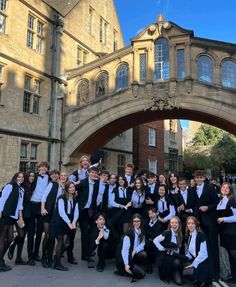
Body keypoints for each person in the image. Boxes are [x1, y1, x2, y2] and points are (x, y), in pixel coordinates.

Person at [191, 170, 220, 281]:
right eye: (196, 178)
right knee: (201, 247)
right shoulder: (193, 189)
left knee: (212, 247)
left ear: (204, 178)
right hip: (198, 222)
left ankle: (216, 273)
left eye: (200, 177)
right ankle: (203, 271)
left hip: (210, 222)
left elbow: (217, 202)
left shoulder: (210, 188)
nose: (198, 179)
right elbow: (193, 204)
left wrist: (208, 207)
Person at [7, 171, 35, 265]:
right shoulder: (21, 187)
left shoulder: (34, 186)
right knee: (21, 235)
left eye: (33, 176)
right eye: (30, 176)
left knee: (31, 236)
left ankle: (30, 258)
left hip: (31, 215)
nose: (31, 177)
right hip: (21, 215)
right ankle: (15, 251)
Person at [40, 170, 67, 268]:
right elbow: (44, 196)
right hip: (48, 212)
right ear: (59, 177)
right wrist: (42, 208)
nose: (63, 177)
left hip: (58, 215)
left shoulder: (67, 188)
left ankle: (50, 257)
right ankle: (44, 258)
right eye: (62, 175)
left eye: (65, 176)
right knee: (48, 236)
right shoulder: (53, 184)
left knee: (54, 237)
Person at [0, 172, 25, 272]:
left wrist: (20, 217)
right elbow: (2, 199)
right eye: (19, 177)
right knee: (2, 239)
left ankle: (0, 259)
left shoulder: (21, 189)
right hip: (5, 215)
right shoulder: (10, 186)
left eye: (22, 177)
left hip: (12, 217)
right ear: (15, 177)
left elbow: (20, 205)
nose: (21, 178)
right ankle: (0, 263)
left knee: (10, 239)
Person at [27, 161, 50, 265]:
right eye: (42, 167)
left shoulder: (49, 178)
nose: (43, 169)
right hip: (32, 205)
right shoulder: (34, 176)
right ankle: (30, 257)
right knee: (31, 233)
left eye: (45, 167)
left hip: (42, 206)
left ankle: (36, 253)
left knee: (40, 232)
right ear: (39, 168)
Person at [54, 181, 79, 271]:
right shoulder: (61, 198)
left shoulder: (75, 198)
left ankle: (57, 256)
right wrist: (69, 222)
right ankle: (57, 263)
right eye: (70, 187)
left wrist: (74, 222)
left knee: (68, 243)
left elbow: (76, 212)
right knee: (60, 242)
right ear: (66, 189)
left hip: (70, 220)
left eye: (73, 187)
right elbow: (61, 212)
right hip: (60, 221)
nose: (72, 188)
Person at [115, 213, 147, 281]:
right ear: (132, 222)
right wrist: (126, 264)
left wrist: (135, 251)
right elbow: (124, 251)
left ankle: (133, 266)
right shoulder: (128, 234)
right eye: (134, 221)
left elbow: (142, 244)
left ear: (141, 222)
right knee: (142, 274)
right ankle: (121, 270)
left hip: (132, 253)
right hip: (124, 258)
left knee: (144, 254)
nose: (136, 223)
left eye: (138, 221)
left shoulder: (141, 231)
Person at [183, 216, 213, 287]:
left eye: (193, 223)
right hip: (198, 260)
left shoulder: (201, 236)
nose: (190, 225)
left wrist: (193, 264)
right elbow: (191, 252)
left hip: (204, 263)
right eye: (189, 223)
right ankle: (198, 280)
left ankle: (205, 281)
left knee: (185, 272)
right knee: (182, 267)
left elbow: (203, 255)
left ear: (196, 225)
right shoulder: (190, 235)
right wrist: (184, 259)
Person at [77, 166, 99, 260]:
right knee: (85, 233)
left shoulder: (96, 184)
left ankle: (88, 252)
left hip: (91, 211)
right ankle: (84, 255)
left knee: (91, 233)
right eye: (92, 172)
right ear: (89, 173)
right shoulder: (83, 183)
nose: (94, 174)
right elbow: (72, 189)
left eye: (95, 173)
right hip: (83, 211)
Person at [154, 216, 183, 285]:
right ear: (170, 224)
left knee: (179, 281)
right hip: (164, 258)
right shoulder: (167, 232)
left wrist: (176, 250)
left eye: (176, 223)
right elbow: (155, 240)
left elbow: (178, 249)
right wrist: (162, 248)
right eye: (172, 223)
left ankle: (172, 272)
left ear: (179, 224)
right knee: (164, 276)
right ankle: (165, 275)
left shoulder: (179, 234)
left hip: (172, 257)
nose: (174, 224)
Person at [216, 182, 236, 284]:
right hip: (223, 232)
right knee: (230, 255)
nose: (224, 189)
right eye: (223, 187)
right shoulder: (220, 201)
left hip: (231, 232)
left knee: (234, 255)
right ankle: (234, 276)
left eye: (227, 188)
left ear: (230, 190)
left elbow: (235, 217)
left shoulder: (232, 201)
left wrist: (224, 218)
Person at [144, 207, 163, 274]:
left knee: (152, 245)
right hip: (147, 241)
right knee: (147, 244)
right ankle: (147, 263)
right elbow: (144, 232)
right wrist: (150, 234)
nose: (151, 215)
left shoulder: (160, 224)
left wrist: (149, 233)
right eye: (149, 214)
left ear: (156, 213)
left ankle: (150, 264)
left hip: (155, 242)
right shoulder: (146, 222)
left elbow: (157, 235)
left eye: (153, 213)